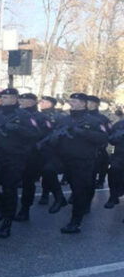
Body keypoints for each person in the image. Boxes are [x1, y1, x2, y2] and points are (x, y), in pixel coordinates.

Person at [0, 88, 41, 238]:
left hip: (15, 157)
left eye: (6, 97)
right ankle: (0, 205)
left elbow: (36, 134)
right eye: (3, 97)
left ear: (14, 99)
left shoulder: (25, 116)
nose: (4, 100)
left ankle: (7, 224)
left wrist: (18, 129)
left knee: (9, 189)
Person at [47, 93, 108, 233]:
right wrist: (54, 139)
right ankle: (59, 198)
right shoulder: (64, 119)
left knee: (79, 191)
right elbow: (52, 136)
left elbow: (104, 138)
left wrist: (83, 133)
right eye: (71, 100)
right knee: (48, 170)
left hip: (82, 160)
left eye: (75, 101)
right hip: (63, 158)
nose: (71, 103)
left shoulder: (94, 121)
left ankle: (75, 222)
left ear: (83, 103)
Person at [14, 93, 53, 222]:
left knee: (28, 183)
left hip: (32, 154)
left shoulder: (41, 117)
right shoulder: (15, 114)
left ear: (32, 102)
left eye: (25, 100)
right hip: (15, 153)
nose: (22, 102)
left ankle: (25, 209)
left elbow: (45, 134)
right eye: (21, 99)